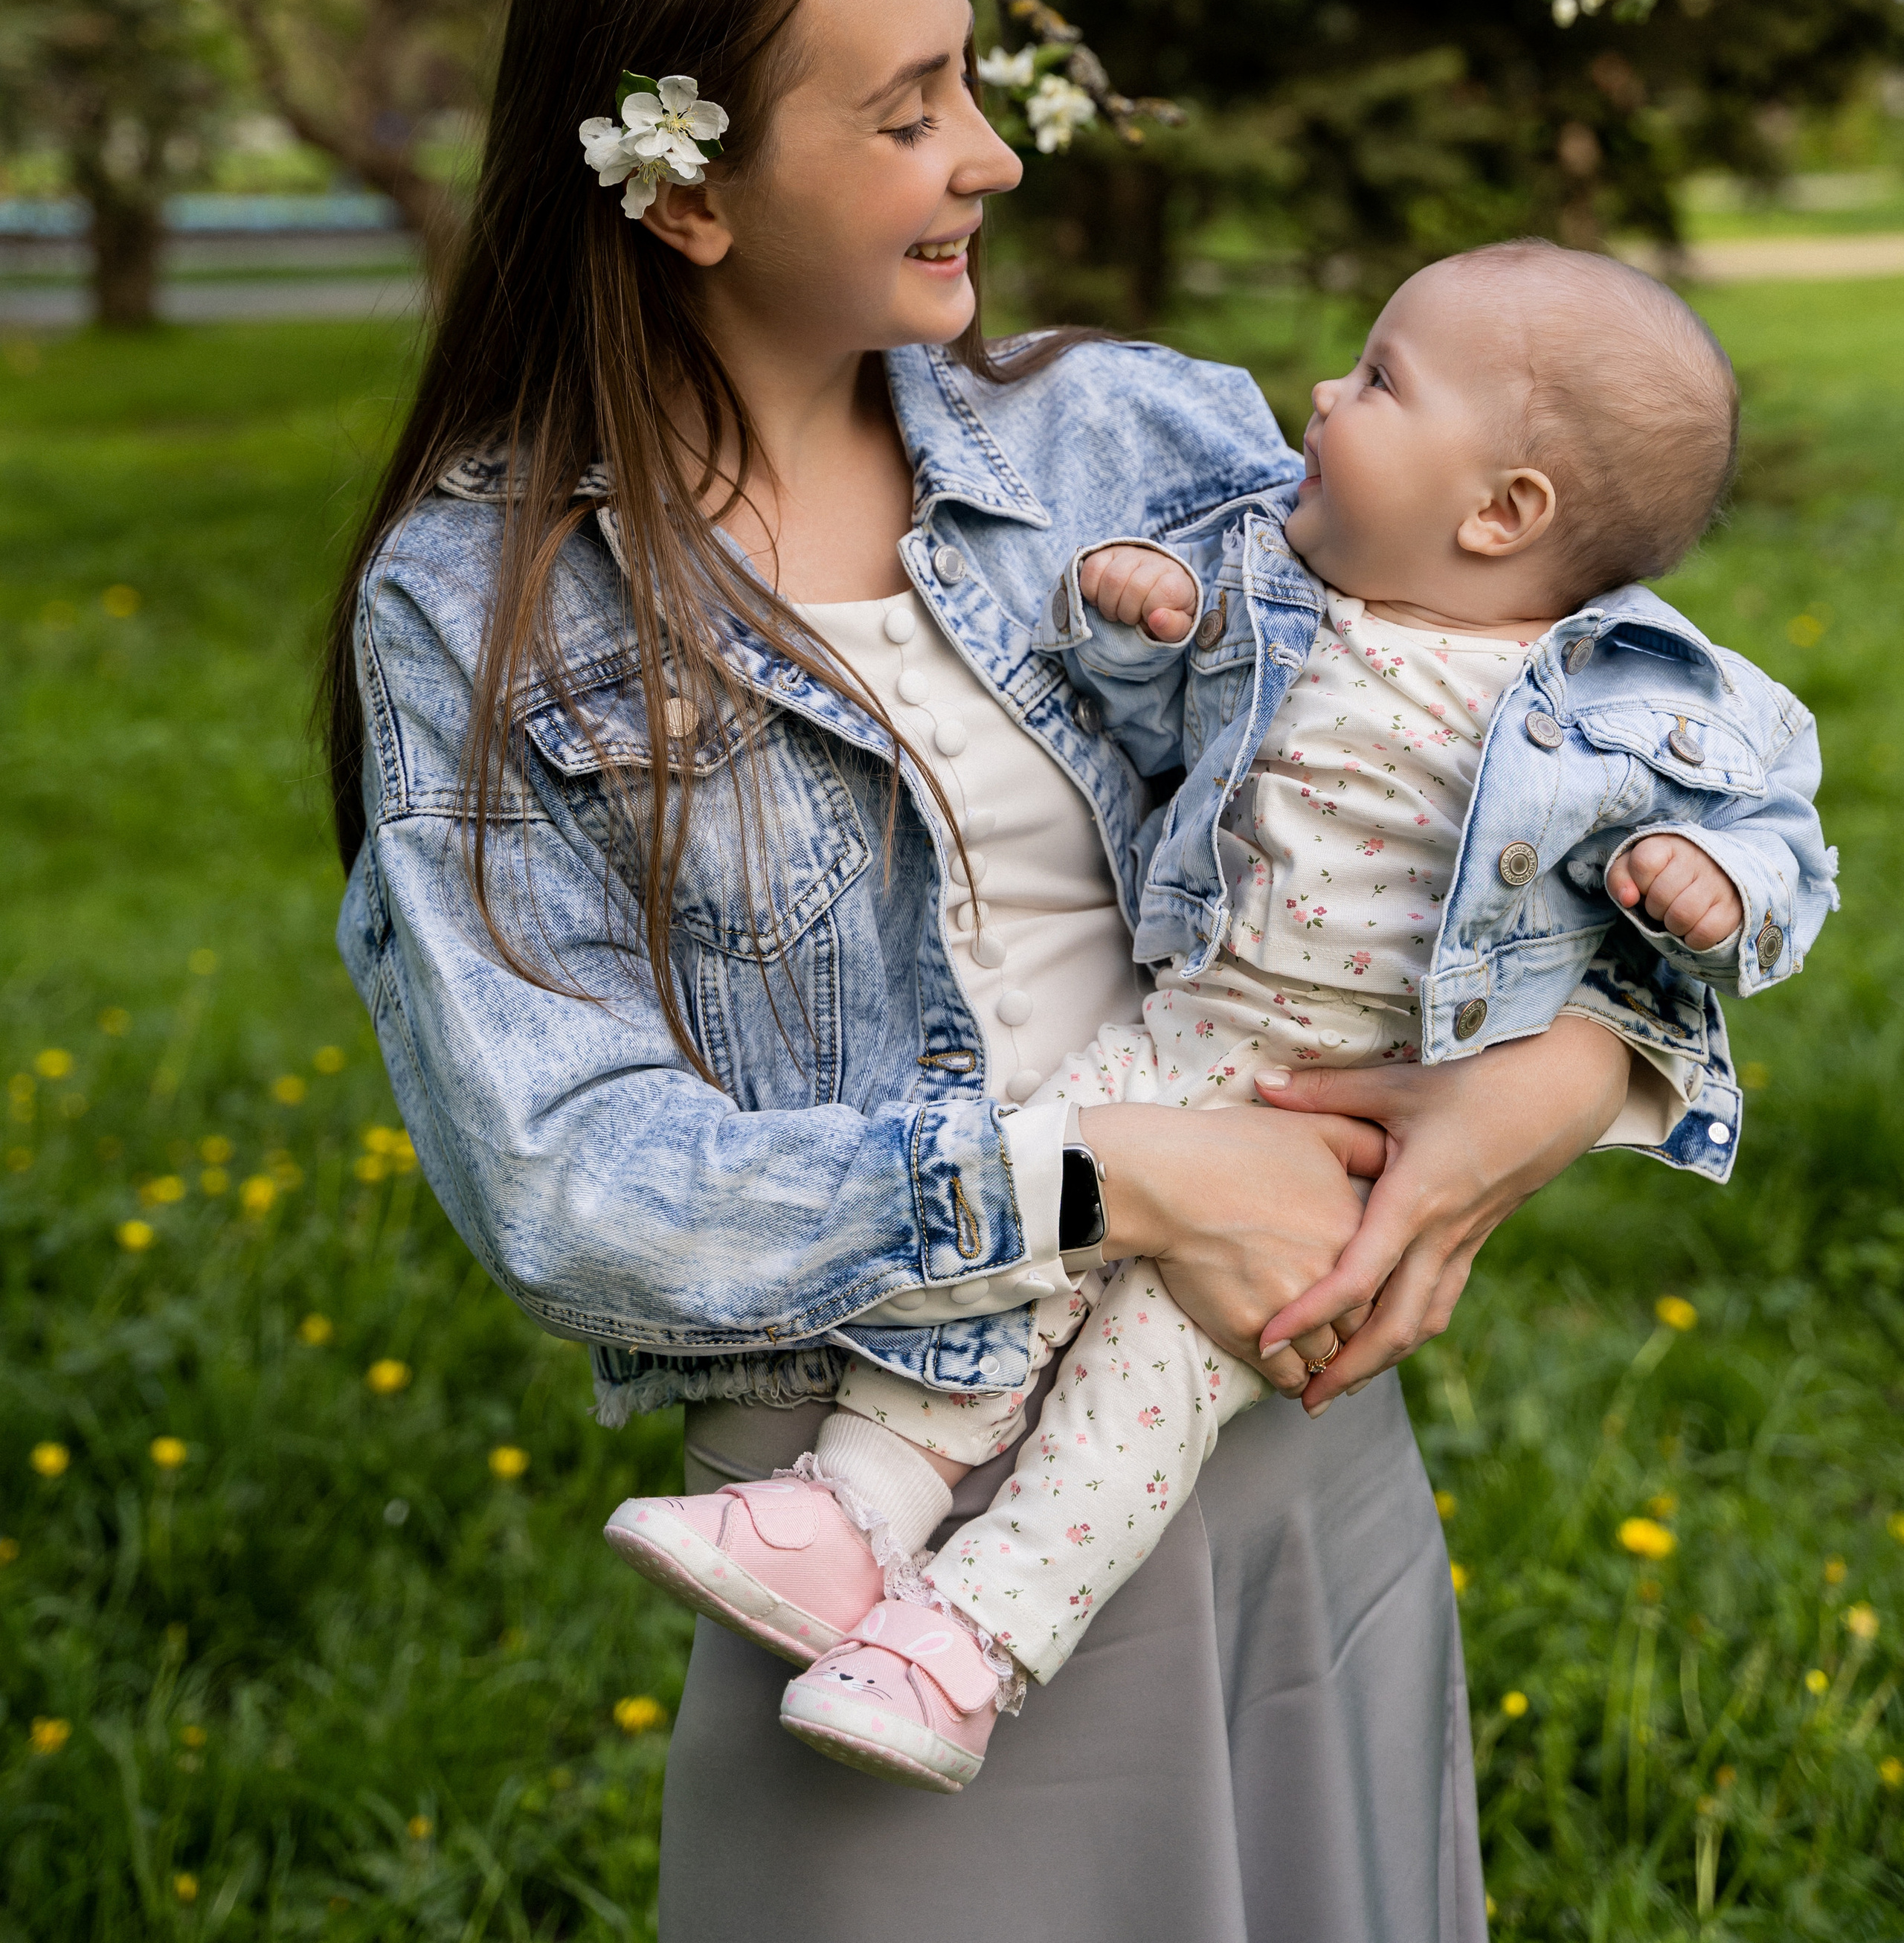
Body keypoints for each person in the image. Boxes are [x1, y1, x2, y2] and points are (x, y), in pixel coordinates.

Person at [327, 0, 1694, 1943]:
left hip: (1278, 1446)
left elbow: (1570, 767)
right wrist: (1114, 1180)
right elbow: (565, 1182)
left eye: (971, 78)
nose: (996, 157)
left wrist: (1534, 1105)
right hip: (879, 1523)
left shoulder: (1139, 446)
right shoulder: (487, 607)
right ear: (685, 189)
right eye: (908, 110)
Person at [611, 241, 1833, 1791]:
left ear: (1499, 512)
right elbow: (1140, 740)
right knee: (1024, 1229)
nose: (1322, 394)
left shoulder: (1637, 701)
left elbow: (1781, 841)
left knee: (1147, 1386)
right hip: (1187, 1027)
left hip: (1339, 1118)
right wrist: (1145, 626)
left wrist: (1709, 877)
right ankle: (845, 1511)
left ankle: (967, 1641)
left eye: (1379, 379)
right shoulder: (1275, 582)